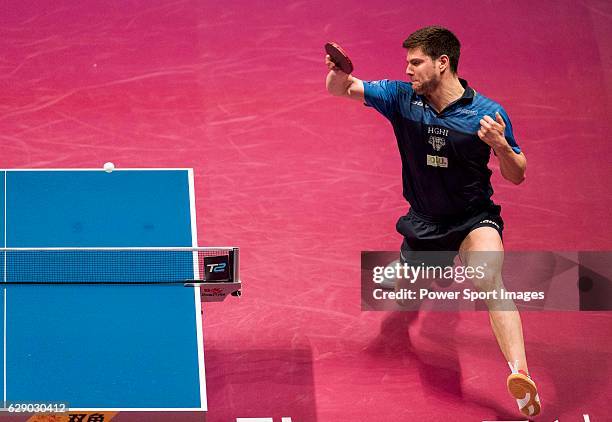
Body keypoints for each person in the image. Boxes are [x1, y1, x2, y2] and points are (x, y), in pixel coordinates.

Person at [325, 26, 541, 417]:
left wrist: (501, 146)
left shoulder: (486, 113)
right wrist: (337, 73)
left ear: (443, 63)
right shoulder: (400, 98)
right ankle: (408, 268)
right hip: (424, 224)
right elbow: (342, 90)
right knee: (407, 282)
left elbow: (518, 174)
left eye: (416, 62)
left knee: (490, 280)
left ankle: (520, 374)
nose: (407, 70)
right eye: (407, 62)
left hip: (473, 219)